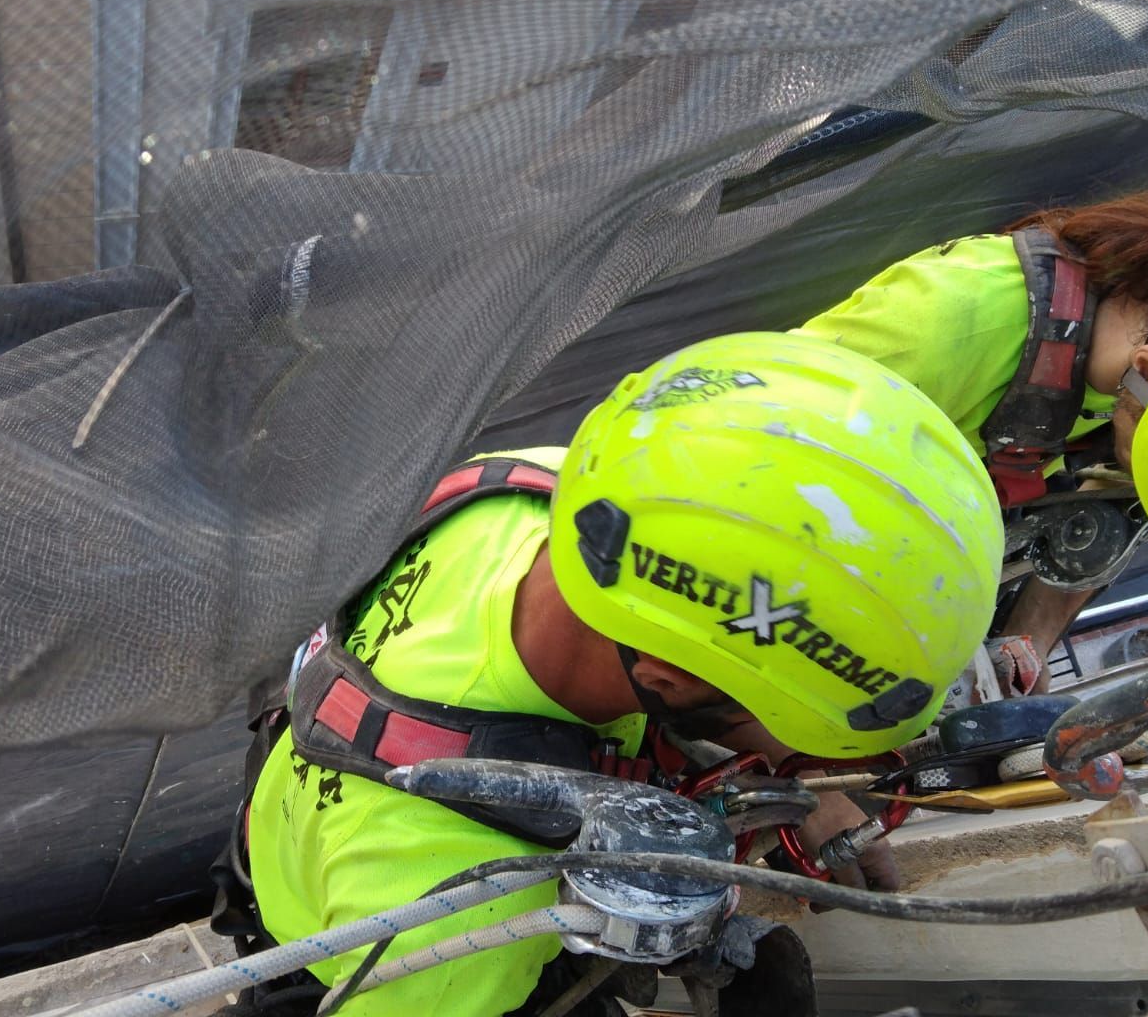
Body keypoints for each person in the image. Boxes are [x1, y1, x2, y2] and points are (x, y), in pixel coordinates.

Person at [216, 331, 1004, 1015]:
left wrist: (798, 785)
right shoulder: (457, 920)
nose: (811, 756)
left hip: (303, 805)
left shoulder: (546, 497)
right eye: (798, 727)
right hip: (349, 953)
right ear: (665, 678)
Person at [792, 192, 1148, 687]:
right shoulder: (954, 316)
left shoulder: (1132, 380)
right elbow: (754, 442)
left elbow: (1103, 521)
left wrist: (1025, 647)